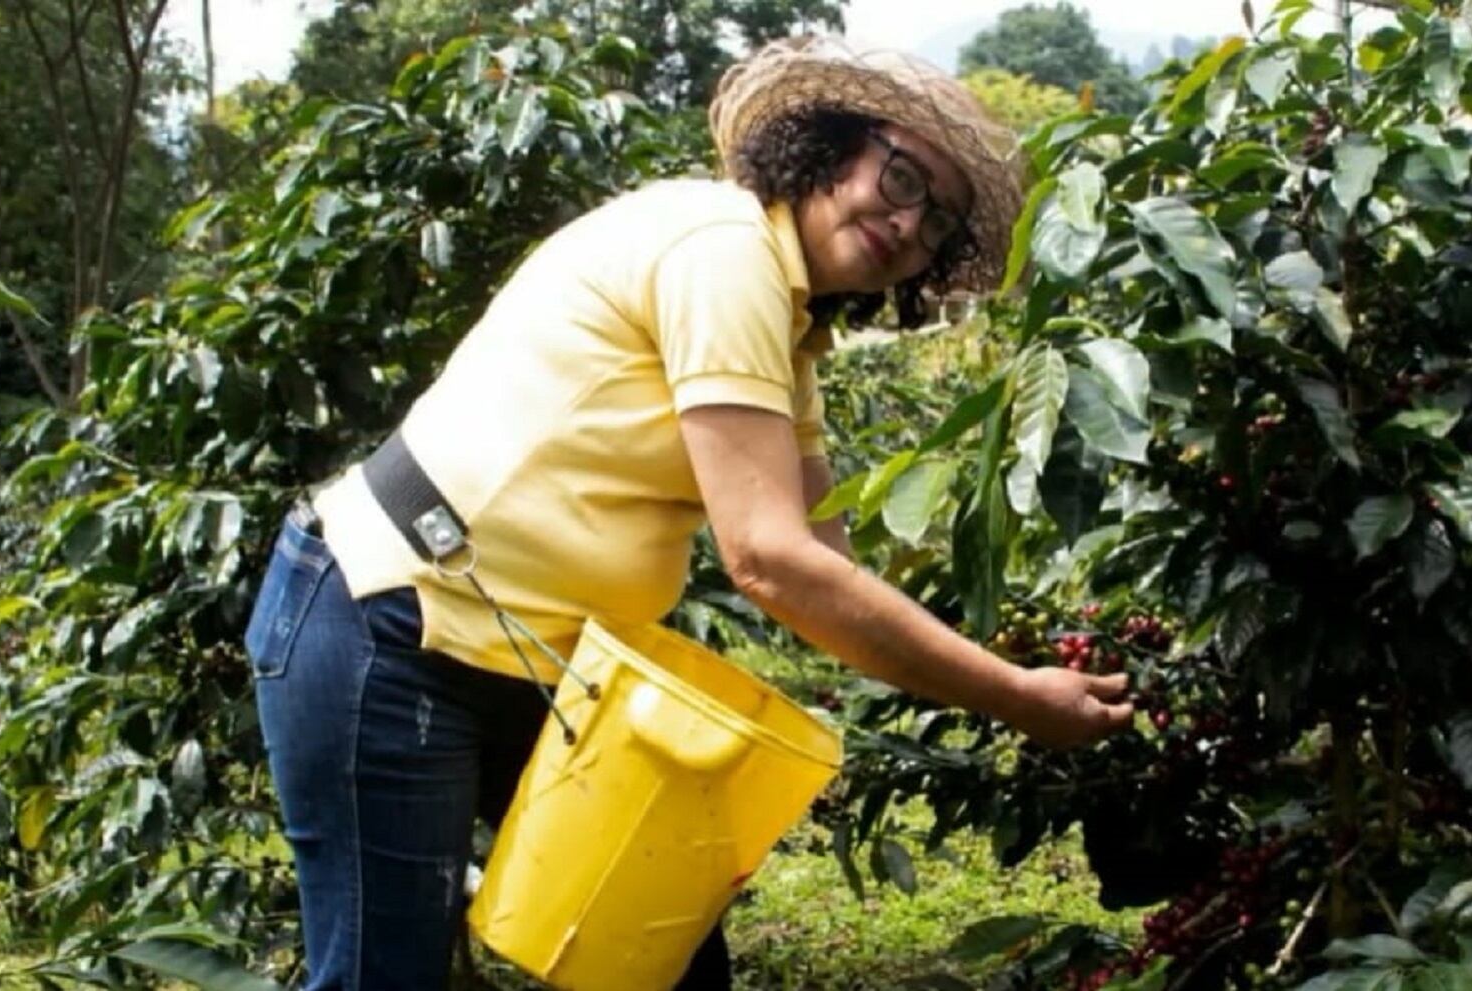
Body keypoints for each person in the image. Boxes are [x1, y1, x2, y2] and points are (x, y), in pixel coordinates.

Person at [243, 35, 1136, 991]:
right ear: (831, 145)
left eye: (941, 224)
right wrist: (1010, 694)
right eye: (904, 175)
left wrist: (1000, 657)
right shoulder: (726, 251)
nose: (908, 224)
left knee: (657, 955)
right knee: (384, 974)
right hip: (392, 623)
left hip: (536, 659)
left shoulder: (790, 333)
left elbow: (832, 565)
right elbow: (773, 562)